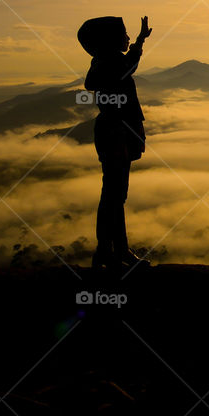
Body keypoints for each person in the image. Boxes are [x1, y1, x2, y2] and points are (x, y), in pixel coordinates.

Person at [78, 15, 152, 271]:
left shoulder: (105, 64)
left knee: (114, 195)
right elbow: (127, 66)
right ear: (110, 40)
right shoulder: (107, 66)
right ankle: (112, 251)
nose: (128, 38)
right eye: (124, 34)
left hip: (116, 131)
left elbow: (127, 65)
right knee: (114, 195)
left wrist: (140, 41)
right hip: (116, 133)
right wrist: (139, 43)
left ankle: (112, 251)